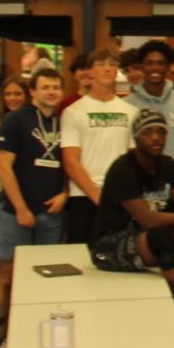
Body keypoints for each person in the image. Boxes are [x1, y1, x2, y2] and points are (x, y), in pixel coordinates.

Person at [88, 108, 174, 335]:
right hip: (108, 244)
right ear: (136, 136)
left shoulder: (167, 164)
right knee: (164, 237)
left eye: (161, 132)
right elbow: (148, 219)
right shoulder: (123, 169)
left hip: (144, 236)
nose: (155, 138)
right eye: (148, 132)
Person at [0, 67, 68, 309]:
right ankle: (1, 337)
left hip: (50, 213)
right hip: (15, 214)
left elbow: (71, 162)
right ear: (32, 91)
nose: (51, 92)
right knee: (7, 278)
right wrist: (21, 208)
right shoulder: (15, 120)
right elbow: (3, 167)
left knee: (46, 278)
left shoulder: (64, 121)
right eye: (45, 87)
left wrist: (64, 194)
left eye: (56, 87)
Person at [59, 46, 136, 247]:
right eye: (101, 64)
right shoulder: (73, 112)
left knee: (117, 255)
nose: (107, 69)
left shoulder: (131, 111)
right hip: (84, 196)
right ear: (90, 71)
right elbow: (71, 161)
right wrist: (98, 197)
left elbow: (132, 158)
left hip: (119, 196)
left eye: (113, 65)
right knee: (80, 258)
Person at [126, 41, 174, 193]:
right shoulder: (128, 104)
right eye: (149, 63)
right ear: (142, 67)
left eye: (160, 63)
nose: (155, 68)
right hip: (138, 185)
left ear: (168, 67)